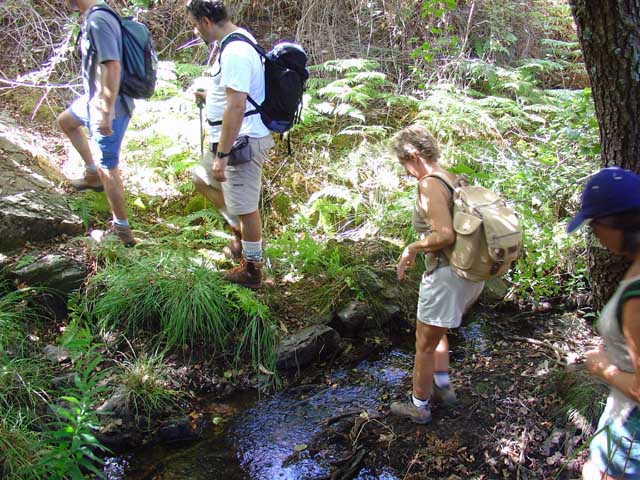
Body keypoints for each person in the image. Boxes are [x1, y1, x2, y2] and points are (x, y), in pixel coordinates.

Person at [389, 124, 485, 424]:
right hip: (469, 274)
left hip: (447, 275)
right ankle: (442, 387)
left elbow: (445, 235)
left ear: (414, 155)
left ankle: (419, 405)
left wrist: (412, 248)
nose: (405, 171)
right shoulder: (452, 178)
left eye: (403, 163)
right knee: (437, 332)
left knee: (423, 342)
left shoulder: (429, 184)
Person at [186, 0, 275, 289]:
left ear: (206, 22)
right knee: (201, 177)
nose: (195, 30)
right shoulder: (234, 42)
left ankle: (252, 270)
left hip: (241, 143)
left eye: (195, 25)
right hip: (230, 140)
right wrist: (209, 96)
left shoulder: (235, 50)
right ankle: (238, 234)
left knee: (247, 208)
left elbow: (237, 106)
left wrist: (222, 155)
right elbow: (231, 94)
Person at [567, 167, 640, 480]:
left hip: (631, 436)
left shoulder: (637, 296)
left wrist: (600, 367)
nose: (594, 233)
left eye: (594, 224)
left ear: (619, 223)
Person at [57, 0, 135, 246]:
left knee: (108, 166)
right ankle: (92, 176)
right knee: (66, 121)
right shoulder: (96, 15)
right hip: (93, 100)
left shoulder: (99, 20)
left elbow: (112, 66)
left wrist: (106, 110)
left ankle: (122, 230)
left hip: (109, 106)